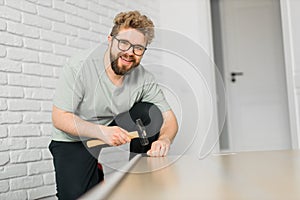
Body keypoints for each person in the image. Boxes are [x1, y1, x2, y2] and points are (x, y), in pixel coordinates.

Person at [49, 10, 178, 199]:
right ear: (110, 39)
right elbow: (60, 117)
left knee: (149, 112)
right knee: (78, 196)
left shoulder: (144, 78)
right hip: (74, 137)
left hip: (111, 126)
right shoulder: (79, 67)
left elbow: (169, 118)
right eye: (124, 43)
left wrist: (164, 140)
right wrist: (101, 132)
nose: (129, 52)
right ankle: (95, 171)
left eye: (138, 48)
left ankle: (141, 177)